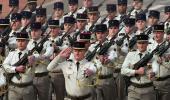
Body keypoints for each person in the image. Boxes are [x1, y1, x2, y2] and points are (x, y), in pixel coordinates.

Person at [121, 34, 157, 100]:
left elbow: (156, 69)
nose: (141, 45)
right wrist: (136, 71)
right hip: (133, 90)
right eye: (139, 43)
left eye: (143, 43)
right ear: (137, 44)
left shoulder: (152, 56)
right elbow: (123, 70)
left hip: (148, 90)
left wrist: (153, 73)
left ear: (147, 44)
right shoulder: (130, 54)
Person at [87, 24, 118, 100]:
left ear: (107, 33)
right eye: (98, 33)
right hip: (95, 79)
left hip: (108, 79)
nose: (100, 35)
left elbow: (113, 55)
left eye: (102, 33)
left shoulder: (112, 45)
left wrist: (108, 59)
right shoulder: (92, 47)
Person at [3, 32, 36, 100]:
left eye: (23, 41)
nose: (20, 43)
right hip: (13, 88)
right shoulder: (12, 53)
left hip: (28, 88)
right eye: (18, 41)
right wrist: (15, 69)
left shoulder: (32, 54)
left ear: (27, 42)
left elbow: (33, 70)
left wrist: (31, 63)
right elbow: (5, 65)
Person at [27, 22, 54, 100]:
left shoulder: (46, 42)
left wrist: (43, 56)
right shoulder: (28, 43)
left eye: (36, 30)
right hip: (31, 77)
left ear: (40, 31)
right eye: (32, 31)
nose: (33, 33)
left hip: (43, 76)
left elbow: (50, 51)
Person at [48, 19, 66, 100]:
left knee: (60, 97)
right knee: (47, 97)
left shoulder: (64, 39)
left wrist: (57, 48)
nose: (52, 30)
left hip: (59, 73)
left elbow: (66, 48)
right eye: (51, 28)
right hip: (47, 73)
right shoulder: (45, 41)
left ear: (59, 29)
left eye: (54, 28)